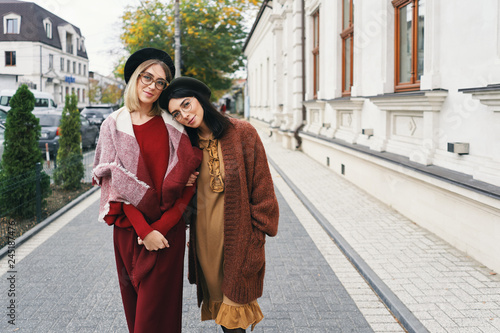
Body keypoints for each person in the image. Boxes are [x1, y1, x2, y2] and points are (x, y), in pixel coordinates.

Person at [92, 48, 202, 333]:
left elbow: (189, 186)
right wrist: (144, 231)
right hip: (130, 232)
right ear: (134, 79)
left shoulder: (174, 124)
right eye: (147, 77)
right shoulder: (113, 125)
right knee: (135, 315)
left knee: (154, 321)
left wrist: (161, 229)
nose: (152, 86)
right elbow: (115, 185)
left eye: (160, 82)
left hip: (168, 234)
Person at [160, 77, 279, 332]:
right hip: (206, 243)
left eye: (186, 105)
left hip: (239, 242)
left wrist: (256, 238)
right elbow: (172, 194)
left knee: (234, 319)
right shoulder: (186, 146)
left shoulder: (243, 133)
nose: (184, 115)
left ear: (199, 99)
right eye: (176, 114)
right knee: (223, 318)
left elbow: (263, 190)